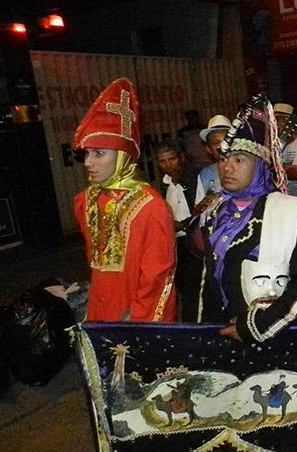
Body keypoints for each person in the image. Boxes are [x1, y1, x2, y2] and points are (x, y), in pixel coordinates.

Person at [199, 95, 297, 343]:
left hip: (275, 333)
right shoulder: (216, 212)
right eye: (223, 159)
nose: (227, 168)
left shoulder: (289, 211)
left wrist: (260, 324)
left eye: (239, 160)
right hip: (225, 333)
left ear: (259, 167)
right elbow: (209, 280)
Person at [72, 78, 176, 322]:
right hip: (100, 311)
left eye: (99, 153)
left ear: (121, 156)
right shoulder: (86, 201)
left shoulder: (150, 207)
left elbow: (157, 277)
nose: (88, 162)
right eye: (86, 153)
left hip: (137, 316)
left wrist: (136, 325)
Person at [155, 140, 203, 323]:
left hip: (195, 243)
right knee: (181, 287)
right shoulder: (165, 182)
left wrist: (181, 225)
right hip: (175, 244)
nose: (168, 165)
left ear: (181, 158)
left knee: (193, 290)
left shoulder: (196, 178)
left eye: (172, 159)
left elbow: (206, 209)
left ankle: (193, 328)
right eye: (163, 161)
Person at [195, 114, 231, 207]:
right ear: (208, 149)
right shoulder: (205, 174)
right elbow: (200, 210)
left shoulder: (248, 169)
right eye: (216, 143)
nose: (222, 147)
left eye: (226, 141)